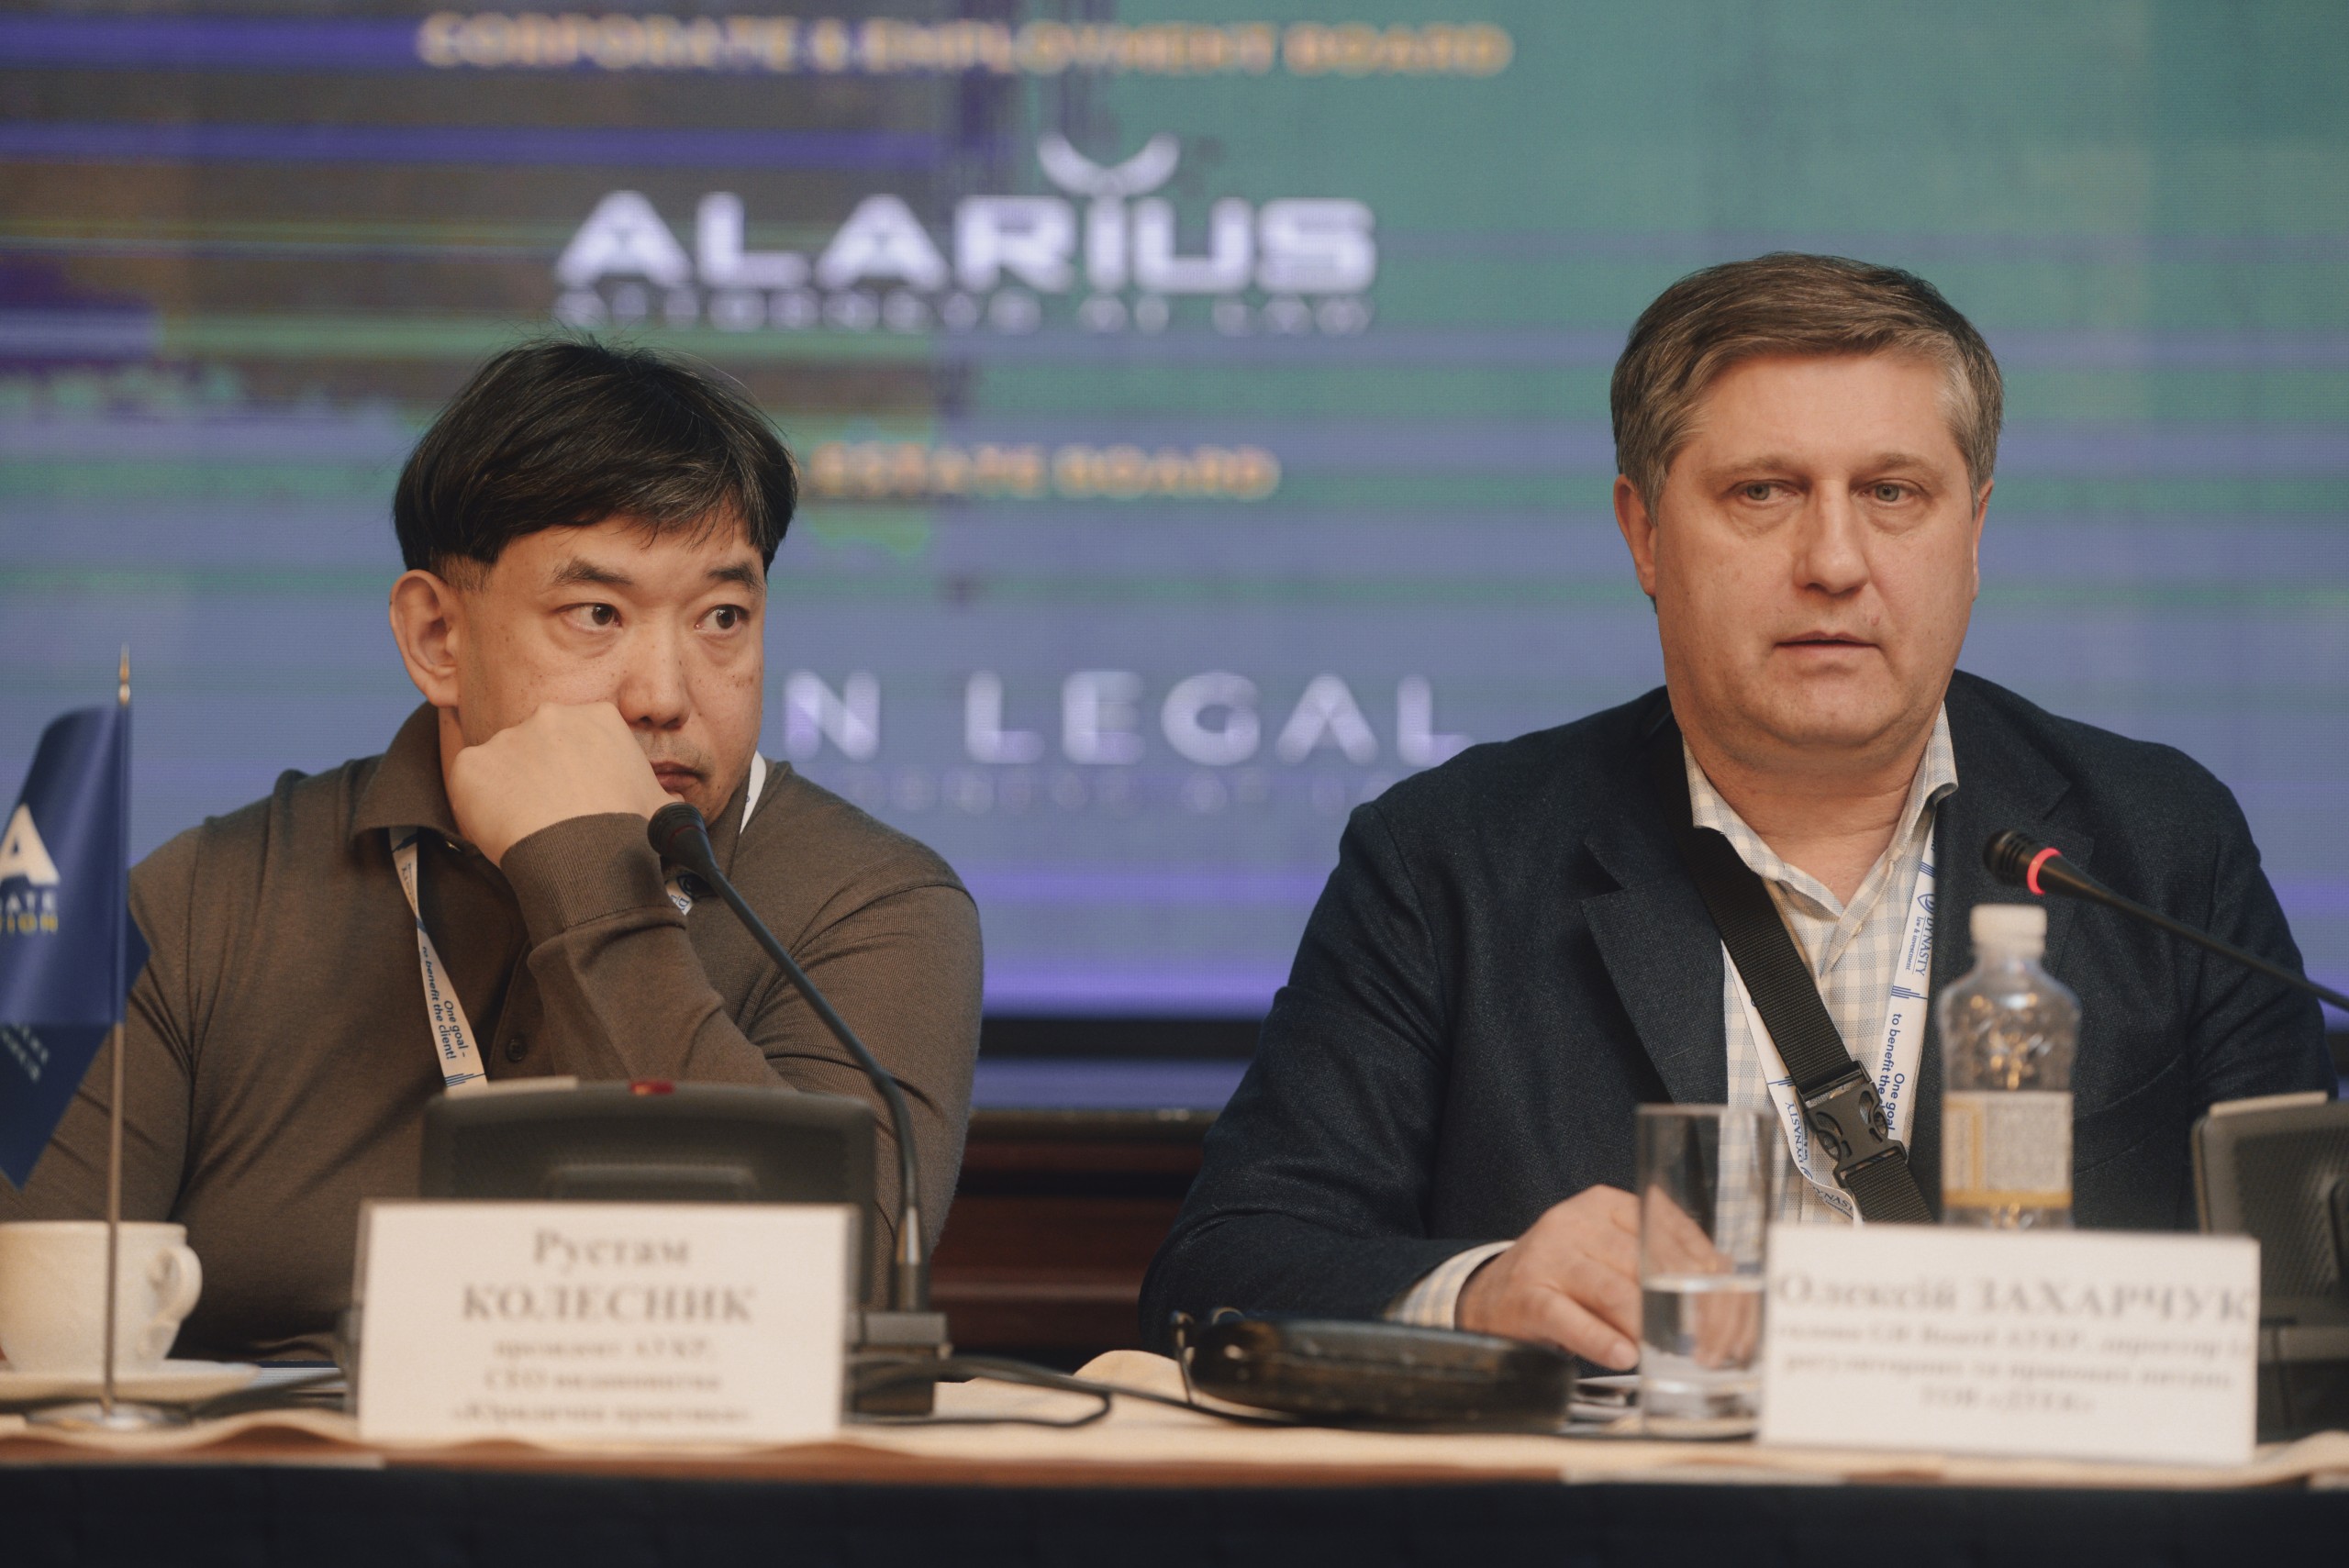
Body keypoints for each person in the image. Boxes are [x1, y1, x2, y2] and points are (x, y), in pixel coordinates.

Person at [1141, 253, 2332, 1369]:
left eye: (1892, 493)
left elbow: (2311, 1298)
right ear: (1644, 534)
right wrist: (1481, 1290)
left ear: (1972, 534)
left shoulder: (2156, 845)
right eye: (1763, 491)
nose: (1834, 560)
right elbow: (1222, 1268)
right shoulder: (1449, 859)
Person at [0, 340, 983, 1362]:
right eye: (597, 614)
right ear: (437, 637)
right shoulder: (199, 905)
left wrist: (586, 870)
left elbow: (828, 1305)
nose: (664, 693)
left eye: (723, 617)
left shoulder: (878, 906)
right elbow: (32, 1346)